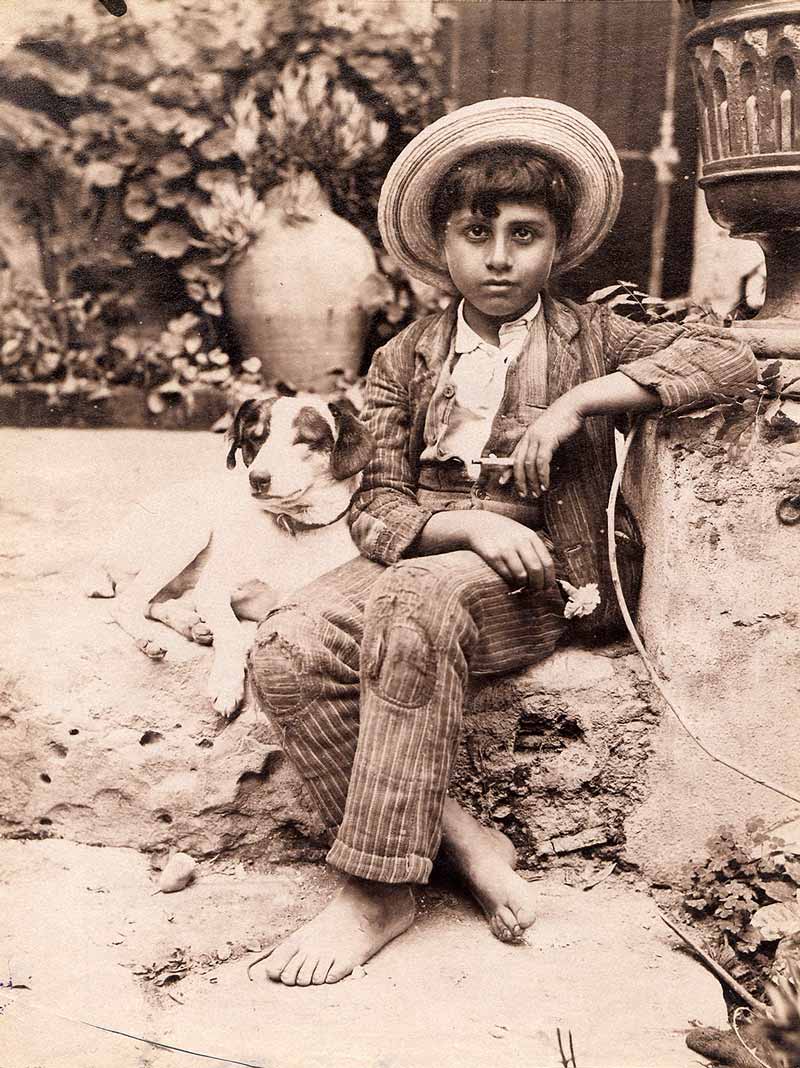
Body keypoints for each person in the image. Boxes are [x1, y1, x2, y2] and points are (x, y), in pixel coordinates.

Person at [247, 98, 758, 987]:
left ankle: (372, 890)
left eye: (525, 234)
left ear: (557, 246)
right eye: (475, 233)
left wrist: (579, 403)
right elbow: (376, 503)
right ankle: (459, 838)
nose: (498, 256)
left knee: (412, 600)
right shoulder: (404, 357)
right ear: (440, 245)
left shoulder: (593, 335)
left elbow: (729, 359)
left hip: (549, 572)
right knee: (288, 644)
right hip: (435, 547)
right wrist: (462, 523)